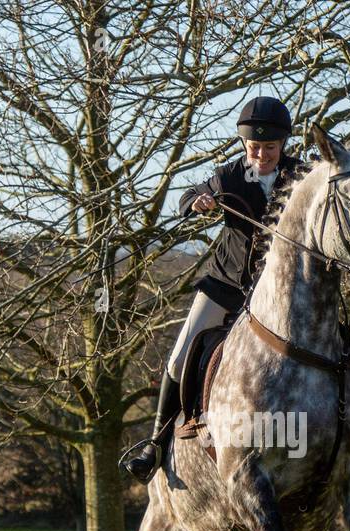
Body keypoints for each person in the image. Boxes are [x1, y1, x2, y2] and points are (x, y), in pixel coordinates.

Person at [122, 95, 304, 483]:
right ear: (243, 144)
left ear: (283, 145)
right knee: (178, 357)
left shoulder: (300, 176)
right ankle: (155, 444)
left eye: (270, 148)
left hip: (279, 294)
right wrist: (198, 202)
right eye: (254, 147)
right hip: (226, 286)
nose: (262, 155)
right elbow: (184, 200)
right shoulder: (229, 176)